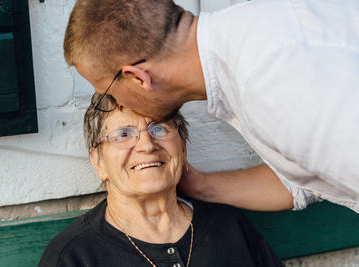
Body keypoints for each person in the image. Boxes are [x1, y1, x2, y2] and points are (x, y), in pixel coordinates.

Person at [63, 0, 359, 213]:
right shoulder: (247, 36)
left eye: (109, 91)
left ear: (138, 78)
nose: (117, 102)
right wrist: (196, 185)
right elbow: (308, 177)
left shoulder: (266, 79)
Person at [38, 94, 284, 267]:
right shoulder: (72, 257)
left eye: (159, 128)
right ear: (98, 162)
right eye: (123, 134)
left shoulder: (231, 227)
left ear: (183, 147)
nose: (146, 145)